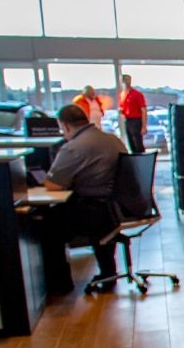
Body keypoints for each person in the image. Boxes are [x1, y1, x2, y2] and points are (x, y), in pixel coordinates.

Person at [43, 103, 125, 292]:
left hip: (95, 211)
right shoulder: (113, 139)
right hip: (119, 209)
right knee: (91, 219)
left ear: (66, 126)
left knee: (47, 226)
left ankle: (59, 286)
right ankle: (108, 272)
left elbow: (53, 184)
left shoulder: (73, 148)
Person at [117, 73, 148, 154]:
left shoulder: (137, 94)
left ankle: (141, 161)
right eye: (124, 80)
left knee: (137, 143)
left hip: (136, 120)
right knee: (131, 143)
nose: (126, 82)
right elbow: (122, 107)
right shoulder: (122, 94)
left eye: (128, 80)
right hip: (127, 120)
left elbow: (143, 110)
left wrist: (144, 126)